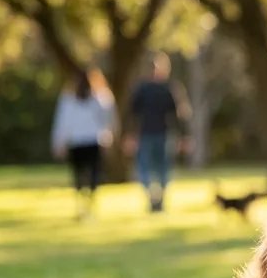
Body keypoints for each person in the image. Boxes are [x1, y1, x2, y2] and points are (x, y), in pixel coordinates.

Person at [126, 53, 189, 212]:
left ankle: (158, 200)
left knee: (159, 169)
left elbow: (175, 115)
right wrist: (131, 135)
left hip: (162, 134)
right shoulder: (145, 90)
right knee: (148, 169)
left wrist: (182, 136)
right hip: (147, 134)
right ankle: (154, 199)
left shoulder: (165, 89)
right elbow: (133, 114)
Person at [50, 69, 116, 219]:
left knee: (85, 174)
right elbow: (63, 122)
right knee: (87, 174)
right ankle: (86, 204)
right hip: (86, 141)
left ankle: (86, 204)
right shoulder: (72, 99)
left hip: (85, 141)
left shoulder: (97, 98)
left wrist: (59, 142)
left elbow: (107, 117)